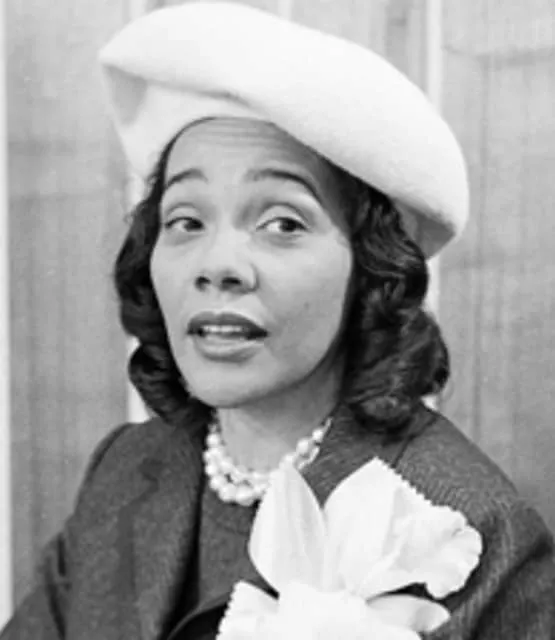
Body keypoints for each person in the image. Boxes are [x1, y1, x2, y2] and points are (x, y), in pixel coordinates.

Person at [2, 2, 555, 639]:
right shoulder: (125, 470)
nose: (218, 265)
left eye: (282, 223)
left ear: (371, 270)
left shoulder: (471, 528)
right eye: (186, 221)